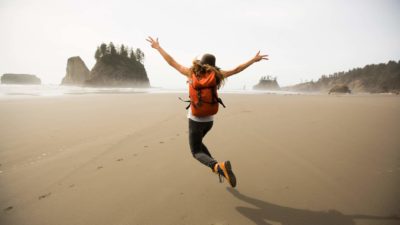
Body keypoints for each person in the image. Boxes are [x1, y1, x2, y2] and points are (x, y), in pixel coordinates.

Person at [146, 36, 268, 188]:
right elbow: (237, 69)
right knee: (198, 144)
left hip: (195, 119)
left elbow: (171, 62)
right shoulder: (217, 75)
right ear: (213, 65)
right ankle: (218, 168)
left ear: (200, 63)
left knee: (196, 151)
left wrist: (158, 47)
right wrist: (253, 60)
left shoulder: (191, 73)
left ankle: (217, 167)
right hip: (209, 120)